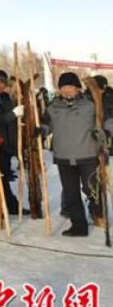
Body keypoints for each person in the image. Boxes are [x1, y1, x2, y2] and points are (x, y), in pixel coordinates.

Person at [43, 72, 104, 236]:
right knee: (71, 193)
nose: (67, 91)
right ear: (59, 89)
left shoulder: (90, 104)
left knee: (92, 188)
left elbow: (106, 119)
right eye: (64, 88)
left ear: (78, 88)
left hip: (87, 154)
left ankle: (99, 215)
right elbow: (45, 126)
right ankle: (79, 226)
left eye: (71, 87)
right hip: (63, 156)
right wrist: (39, 131)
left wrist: (106, 132)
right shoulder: (53, 107)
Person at [0, 69, 26, 215]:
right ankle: (6, 206)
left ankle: (9, 205)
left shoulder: (5, 98)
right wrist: (13, 114)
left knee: (4, 177)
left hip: (6, 145)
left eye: (1, 83)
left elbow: (10, 123)